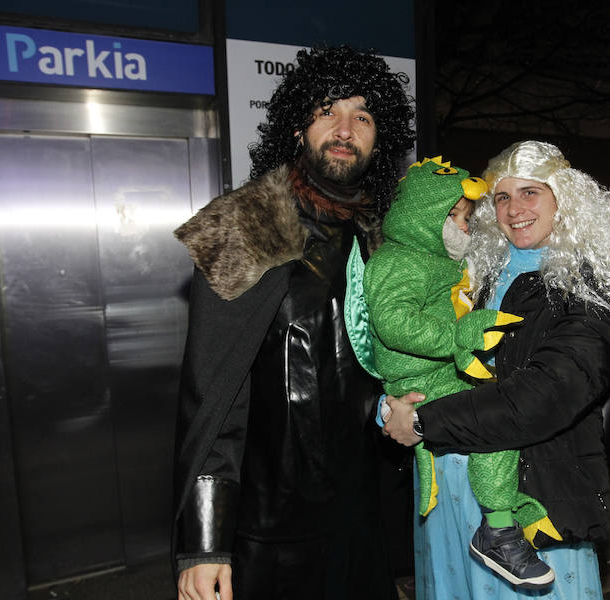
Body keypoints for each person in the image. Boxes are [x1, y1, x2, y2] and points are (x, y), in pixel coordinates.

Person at [171, 46, 415, 600]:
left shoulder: (383, 236)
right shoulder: (248, 222)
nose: (345, 128)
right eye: (327, 110)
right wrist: (205, 544)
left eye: (364, 117)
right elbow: (211, 397)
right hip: (268, 536)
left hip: (361, 523)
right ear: (298, 125)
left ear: (382, 138)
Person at [383, 140, 610, 599]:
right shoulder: (473, 273)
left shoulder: (591, 286)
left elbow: (548, 394)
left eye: (530, 192)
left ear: (564, 200)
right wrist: (392, 403)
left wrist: (421, 421)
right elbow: (419, 351)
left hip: (529, 496)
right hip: (447, 485)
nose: (514, 209)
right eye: (501, 197)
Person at [358, 157, 555, 589]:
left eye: (467, 217)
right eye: (455, 215)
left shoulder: (443, 262)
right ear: (425, 215)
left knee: (494, 423)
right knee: (493, 425)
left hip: (447, 393)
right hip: (429, 391)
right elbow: (392, 324)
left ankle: (502, 519)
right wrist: (455, 339)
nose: (466, 226)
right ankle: (500, 525)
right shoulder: (408, 261)